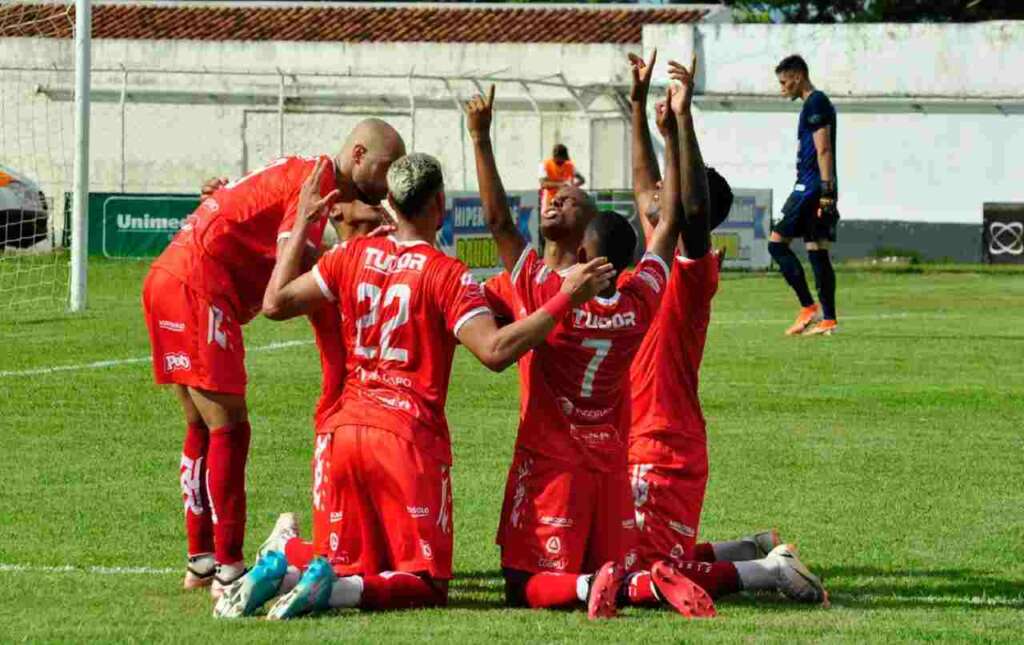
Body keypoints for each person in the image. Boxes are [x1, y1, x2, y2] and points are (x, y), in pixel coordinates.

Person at [214, 152, 616, 619]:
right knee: (426, 584)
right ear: (439, 205)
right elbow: (495, 351)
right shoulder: (446, 274)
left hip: (344, 434)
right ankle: (332, 591)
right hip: (405, 441)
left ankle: (285, 568)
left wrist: (303, 223)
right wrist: (565, 299)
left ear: (390, 202)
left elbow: (275, 302)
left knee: (353, 562)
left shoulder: (351, 254)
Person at [469, 59, 710, 620]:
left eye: (569, 200)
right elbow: (668, 224)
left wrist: (480, 139)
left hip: (555, 464)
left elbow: (500, 224)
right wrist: (672, 128)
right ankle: (637, 586)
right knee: (619, 574)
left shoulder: (547, 290)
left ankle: (583, 591)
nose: (554, 199)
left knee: (522, 582)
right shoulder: (638, 303)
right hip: (610, 467)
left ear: (585, 248)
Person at [141, 118, 405, 597]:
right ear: (360, 154)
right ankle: (229, 568)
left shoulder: (310, 173)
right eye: (387, 169)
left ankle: (202, 559)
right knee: (230, 427)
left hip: (171, 274)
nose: (388, 183)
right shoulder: (317, 183)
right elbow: (287, 278)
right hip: (199, 284)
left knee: (202, 426)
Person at [619, 50, 829, 608]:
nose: (651, 197)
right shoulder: (653, 257)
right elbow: (646, 184)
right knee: (627, 552)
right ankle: (746, 546)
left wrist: (684, 120)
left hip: (662, 442)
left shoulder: (690, 269)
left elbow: (684, 207)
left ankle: (767, 570)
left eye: (666, 193)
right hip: (636, 435)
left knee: (649, 572)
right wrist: (640, 108)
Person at [770, 54, 840, 336]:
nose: (782, 88)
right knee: (816, 249)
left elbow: (823, 149)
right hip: (816, 187)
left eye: (784, 82)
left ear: (798, 76)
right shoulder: (814, 104)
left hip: (810, 187)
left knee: (776, 244)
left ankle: (809, 307)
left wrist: (826, 191)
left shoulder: (815, 103)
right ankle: (829, 319)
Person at [538, 143, 585, 215]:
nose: (563, 161)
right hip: (550, 201)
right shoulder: (545, 165)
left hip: (566, 201)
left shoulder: (569, 165)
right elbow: (543, 184)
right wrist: (561, 184)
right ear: (556, 156)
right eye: (561, 158)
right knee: (551, 220)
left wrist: (572, 187)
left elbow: (582, 179)